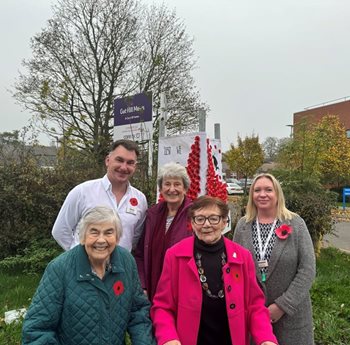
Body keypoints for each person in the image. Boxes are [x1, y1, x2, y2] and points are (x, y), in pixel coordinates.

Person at [151, 196, 278, 345]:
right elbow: (162, 307)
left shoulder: (243, 257)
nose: (206, 225)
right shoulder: (175, 255)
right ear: (192, 223)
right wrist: (168, 338)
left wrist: (266, 338)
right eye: (199, 219)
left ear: (224, 222)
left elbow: (255, 306)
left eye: (213, 218)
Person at [23, 206, 155, 345]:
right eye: (94, 232)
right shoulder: (60, 268)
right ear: (83, 237)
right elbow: (37, 329)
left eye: (109, 232)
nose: (101, 240)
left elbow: (138, 312)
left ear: (117, 237)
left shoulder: (126, 262)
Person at [234, 173, 316, 345]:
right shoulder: (243, 225)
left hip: (291, 316)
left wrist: (282, 306)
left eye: (268, 190)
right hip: (254, 314)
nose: (262, 194)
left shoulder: (296, 223)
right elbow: (235, 268)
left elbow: (307, 269)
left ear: (277, 194)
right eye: (257, 190)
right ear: (251, 195)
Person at [52, 139, 147, 252]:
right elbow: (60, 230)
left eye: (130, 163)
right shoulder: (82, 192)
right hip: (85, 268)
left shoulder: (140, 199)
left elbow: (135, 237)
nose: (124, 167)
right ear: (107, 160)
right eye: (119, 160)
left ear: (135, 167)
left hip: (121, 268)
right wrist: (78, 256)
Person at [134, 162, 192, 302]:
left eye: (177, 184)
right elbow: (140, 253)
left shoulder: (195, 215)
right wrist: (143, 286)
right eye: (167, 184)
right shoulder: (152, 215)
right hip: (152, 289)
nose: (172, 189)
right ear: (161, 188)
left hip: (183, 291)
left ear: (185, 188)